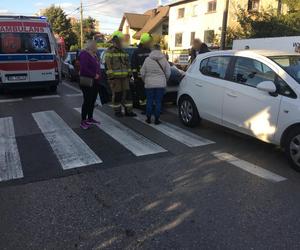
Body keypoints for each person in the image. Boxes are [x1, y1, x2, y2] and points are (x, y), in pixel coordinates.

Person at [105, 31, 136, 117]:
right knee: (117, 95)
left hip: (125, 78)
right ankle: (118, 111)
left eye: (121, 41)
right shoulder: (110, 52)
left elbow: (128, 64)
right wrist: (111, 78)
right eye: (119, 41)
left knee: (128, 95)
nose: (120, 43)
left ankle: (128, 111)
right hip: (115, 78)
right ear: (114, 42)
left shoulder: (123, 52)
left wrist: (130, 75)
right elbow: (108, 66)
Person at [140, 44, 171, 125]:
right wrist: (165, 80)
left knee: (149, 101)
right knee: (158, 101)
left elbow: (142, 73)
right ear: (160, 49)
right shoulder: (164, 59)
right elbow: (168, 73)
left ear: (152, 50)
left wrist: (145, 80)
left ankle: (148, 118)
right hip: (160, 84)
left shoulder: (147, 59)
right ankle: (157, 119)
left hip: (149, 84)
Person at [79, 40, 101, 130]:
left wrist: (98, 75)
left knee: (92, 100)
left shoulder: (94, 55)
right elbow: (84, 68)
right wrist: (93, 75)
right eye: (95, 45)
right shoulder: (84, 54)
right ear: (91, 46)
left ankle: (90, 118)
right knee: (87, 101)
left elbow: (97, 67)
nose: (96, 47)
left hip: (95, 81)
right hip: (87, 81)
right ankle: (83, 121)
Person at [131, 33, 153, 109]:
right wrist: (135, 77)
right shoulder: (136, 52)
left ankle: (147, 105)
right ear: (145, 42)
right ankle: (143, 106)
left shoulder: (150, 50)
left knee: (148, 92)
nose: (150, 43)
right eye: (149, 42)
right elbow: (133, 65)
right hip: (140, 78)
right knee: (141, 93)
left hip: (149, 76)